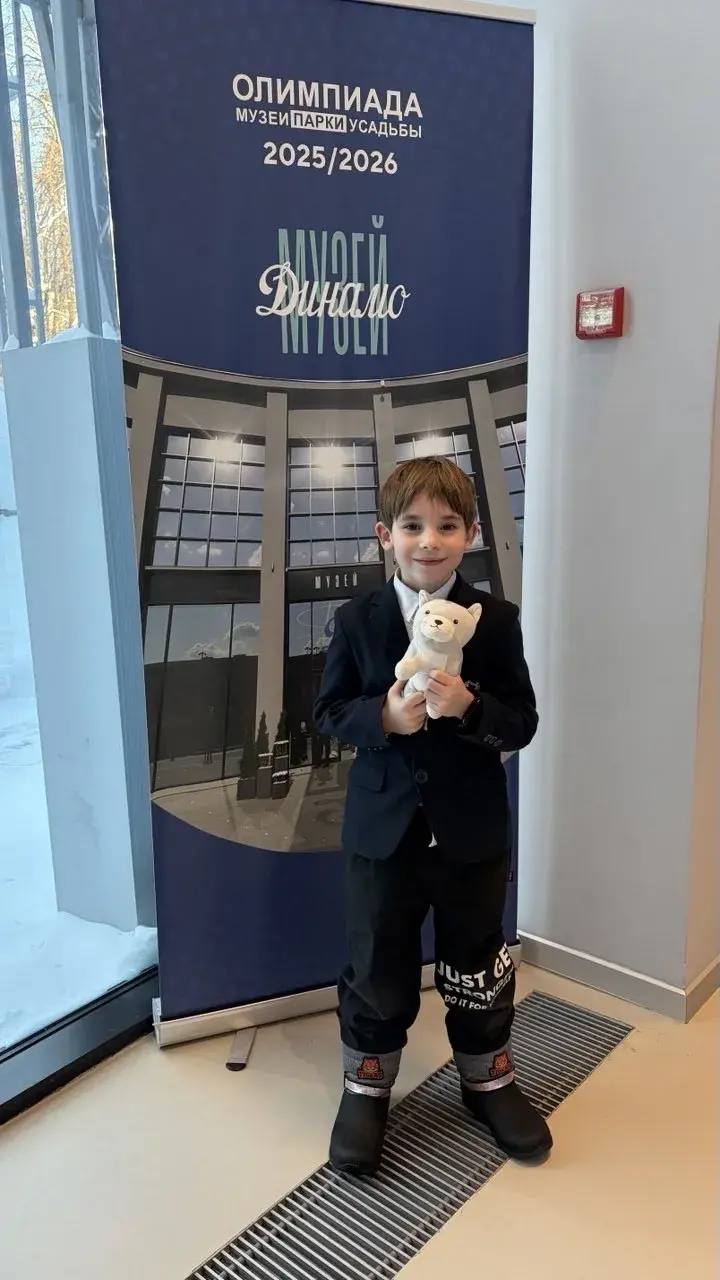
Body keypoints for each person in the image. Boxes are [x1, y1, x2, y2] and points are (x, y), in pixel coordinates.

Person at [314, 456, 551, 1174]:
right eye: (412, 525)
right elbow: (329, 712)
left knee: (478, 958)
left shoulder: (495, 621)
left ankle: (488, 1078)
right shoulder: (357, 619)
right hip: (382, 835)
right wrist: (384, 717)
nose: (429, 541)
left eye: (447, 526)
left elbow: (522, 721)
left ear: (470, 534)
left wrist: (473, 708)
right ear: (385, 535)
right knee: (375, 962)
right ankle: (367, 1085)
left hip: (471, 833)